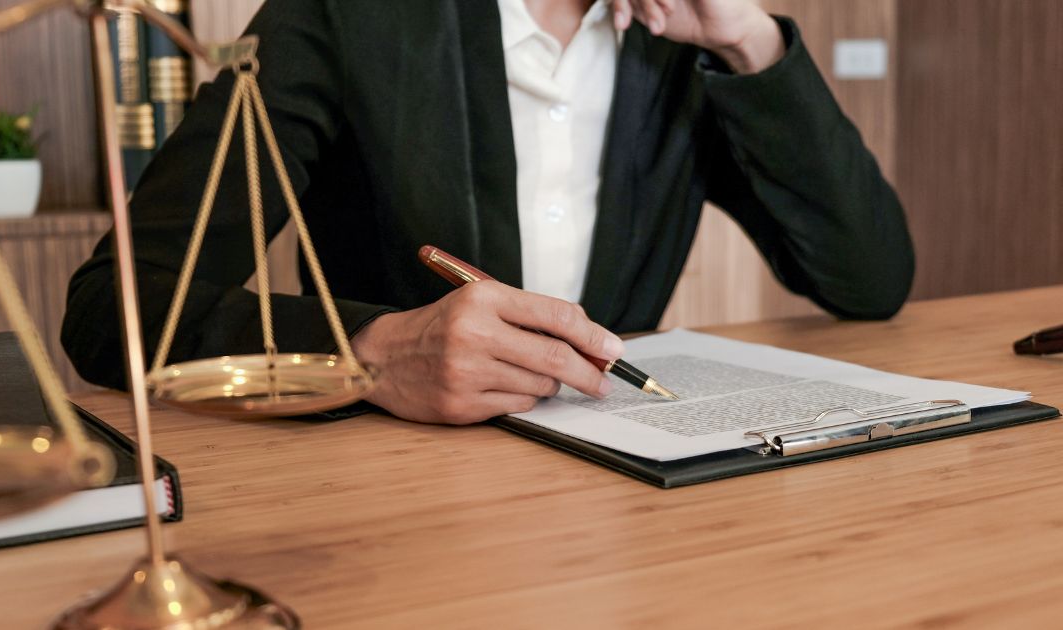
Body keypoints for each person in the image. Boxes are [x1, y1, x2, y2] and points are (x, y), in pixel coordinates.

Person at [62, 0, 914, 425]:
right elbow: (113, 309)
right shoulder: (341, 14)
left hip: (637, 494)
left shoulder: (682, 41)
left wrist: (748, 40)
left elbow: (869, 279)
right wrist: (371, 353)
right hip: (396, 497)